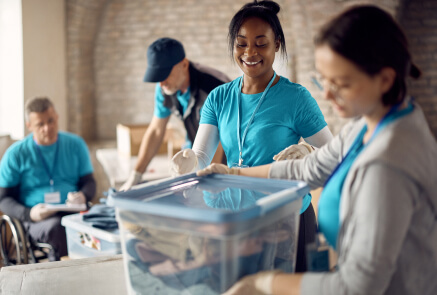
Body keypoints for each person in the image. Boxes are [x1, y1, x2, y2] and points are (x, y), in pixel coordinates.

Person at [197, 5, 437, 295]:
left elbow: (357, 286)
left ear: (385, 79)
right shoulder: (369, 125)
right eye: (324, 79)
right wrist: (234, 172)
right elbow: (309, 169)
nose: (326, 93)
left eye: (340, 83)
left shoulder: (387, 164)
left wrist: (264, 283)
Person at [171, 0, 333, 272]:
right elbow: (202, 158)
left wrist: (309, 154)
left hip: (287, 220)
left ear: (277, 44)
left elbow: (335, 155)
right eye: (241, 43)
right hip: (238, 218)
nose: (250, 52)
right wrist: (189, 163)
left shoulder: (296, 98)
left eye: (261, 43)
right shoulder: (219, 98)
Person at [120, 37, 231, 191]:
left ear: (184, 64)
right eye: (156, 77)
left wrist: (207, 183)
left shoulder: (214, 86)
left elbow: (220, 139)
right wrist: (136, 175)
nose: (161, 83)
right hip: (197, 155)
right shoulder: (164, 89)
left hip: (229, 159)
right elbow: (156, 131)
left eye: (164, 75)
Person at [0, 97, 96, 261]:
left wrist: (84, 195)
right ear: (29, 126)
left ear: (57, 117)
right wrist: (29, 214)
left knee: (103, 219)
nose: (48, 128)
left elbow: (89, 182)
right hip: (37, 220)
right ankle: (63, 276)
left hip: (72, 212)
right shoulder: (15, 155)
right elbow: (3, 199)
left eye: (51, 121)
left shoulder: (76, 144)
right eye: (40, 124)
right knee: (58, 227)